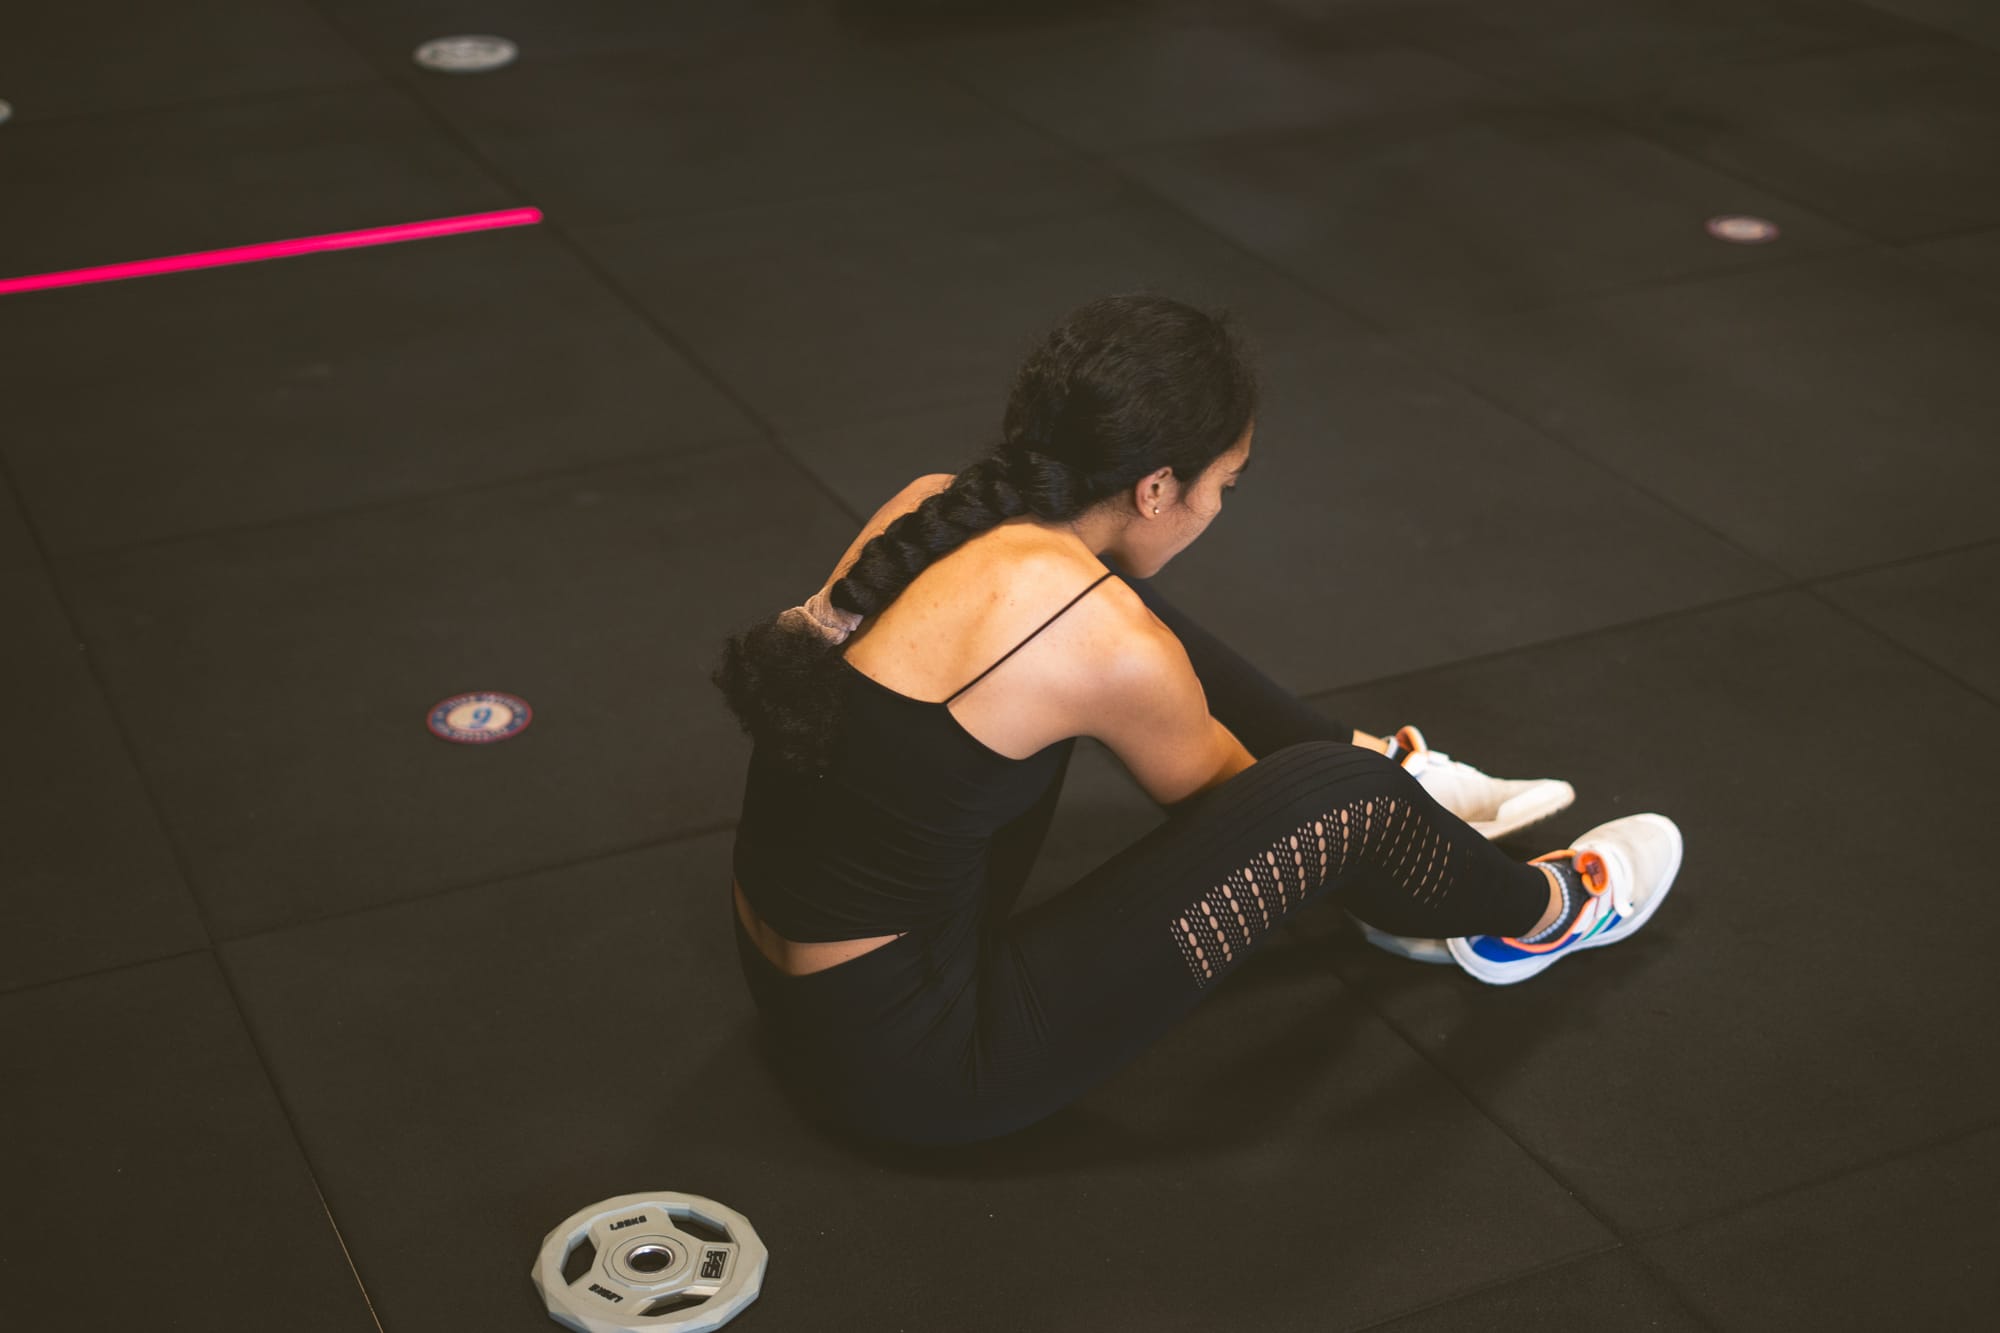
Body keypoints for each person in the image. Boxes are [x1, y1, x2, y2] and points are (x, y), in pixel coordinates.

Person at [711, 294, 1681, 1147]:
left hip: (788, 994)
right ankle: (1537, 917)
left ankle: (1392, 765)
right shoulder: (1091, 635)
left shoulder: (931, 508)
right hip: (916, 1071)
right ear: (1154, 487)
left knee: (1108, 611)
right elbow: (1269, 816)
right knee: (1336, 795)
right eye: (1224, 483)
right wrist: (1383, 827)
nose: (1217, 507)